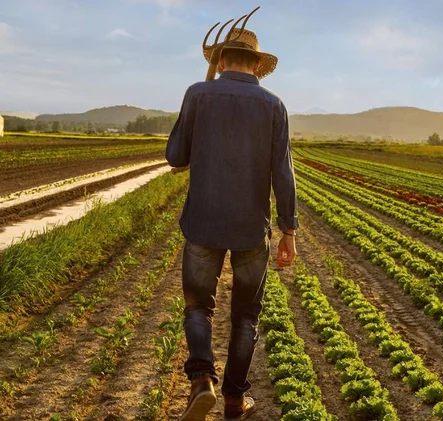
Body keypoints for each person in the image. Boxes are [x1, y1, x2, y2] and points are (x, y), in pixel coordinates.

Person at [166, 26, 298, 421]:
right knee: (246, 315)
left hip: (203, 222)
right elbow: (283, 174)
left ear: (220, 61)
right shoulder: (274, 105)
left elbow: (175, 155)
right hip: (250, 230)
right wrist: (289, 230)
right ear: (258, 65)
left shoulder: (197, 93)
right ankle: (234, 401)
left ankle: (202, 379)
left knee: (197, 306)